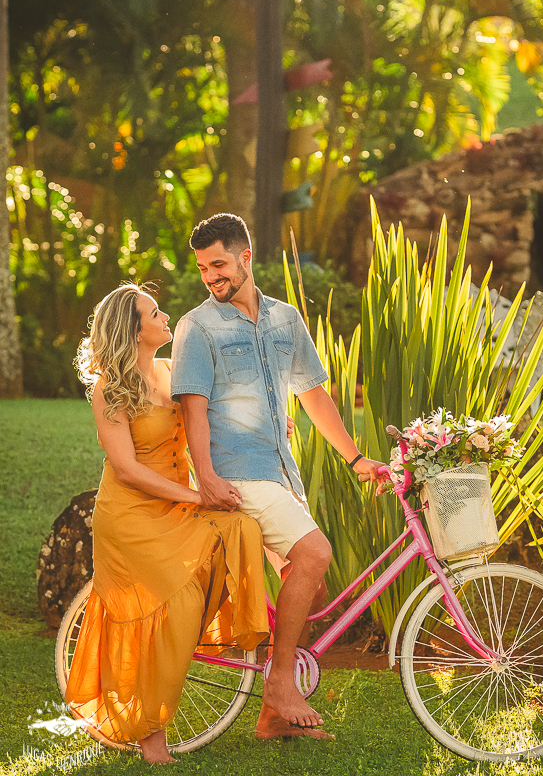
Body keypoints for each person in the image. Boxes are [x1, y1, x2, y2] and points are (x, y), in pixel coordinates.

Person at [170, 213, 385, 741]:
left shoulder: (286, 319)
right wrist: (206, 476)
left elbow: (313, 395)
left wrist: (356, 459)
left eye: (218, 265)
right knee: (315, 553)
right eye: (203, 268)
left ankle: (273, 718)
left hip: (282, 474)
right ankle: (281, 684)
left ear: (246, 257)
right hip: (239, 477)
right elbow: (193, 411)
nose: (211, 277)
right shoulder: (197, 327)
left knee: (310, 587)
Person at [65, 284, 269, 765]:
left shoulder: (172, 370)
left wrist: (264, 425)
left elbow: (214, 414)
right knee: (176, 605)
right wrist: (199, 496)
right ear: (134, 330)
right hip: (132, 516)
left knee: (241, 528)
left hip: (176, 505)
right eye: (154, 313)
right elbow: (127, 469)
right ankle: (150, 736)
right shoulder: (110, 390)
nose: (165, 317)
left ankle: (233, 636)